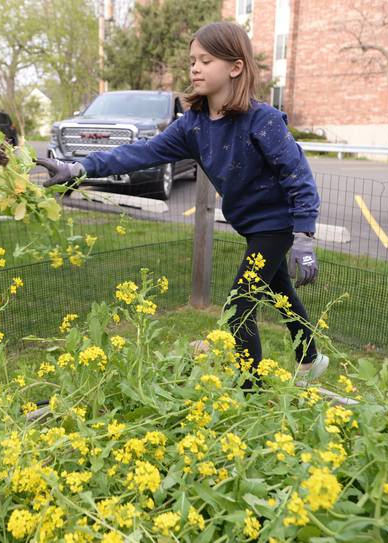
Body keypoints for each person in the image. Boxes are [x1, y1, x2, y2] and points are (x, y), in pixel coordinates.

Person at [36, 21, 328, 383]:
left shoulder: (262, 121)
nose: (195, 67)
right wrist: (78, 166)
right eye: (192, 60)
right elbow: (141, 152)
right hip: (250, 225)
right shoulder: (194, 125)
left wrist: (303, 237)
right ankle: (311, 358)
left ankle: (252, 392)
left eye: (206, 60)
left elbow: (298, 177)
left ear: (235, 67)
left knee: (238, 310)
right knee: (280, 292)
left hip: (277, 224)